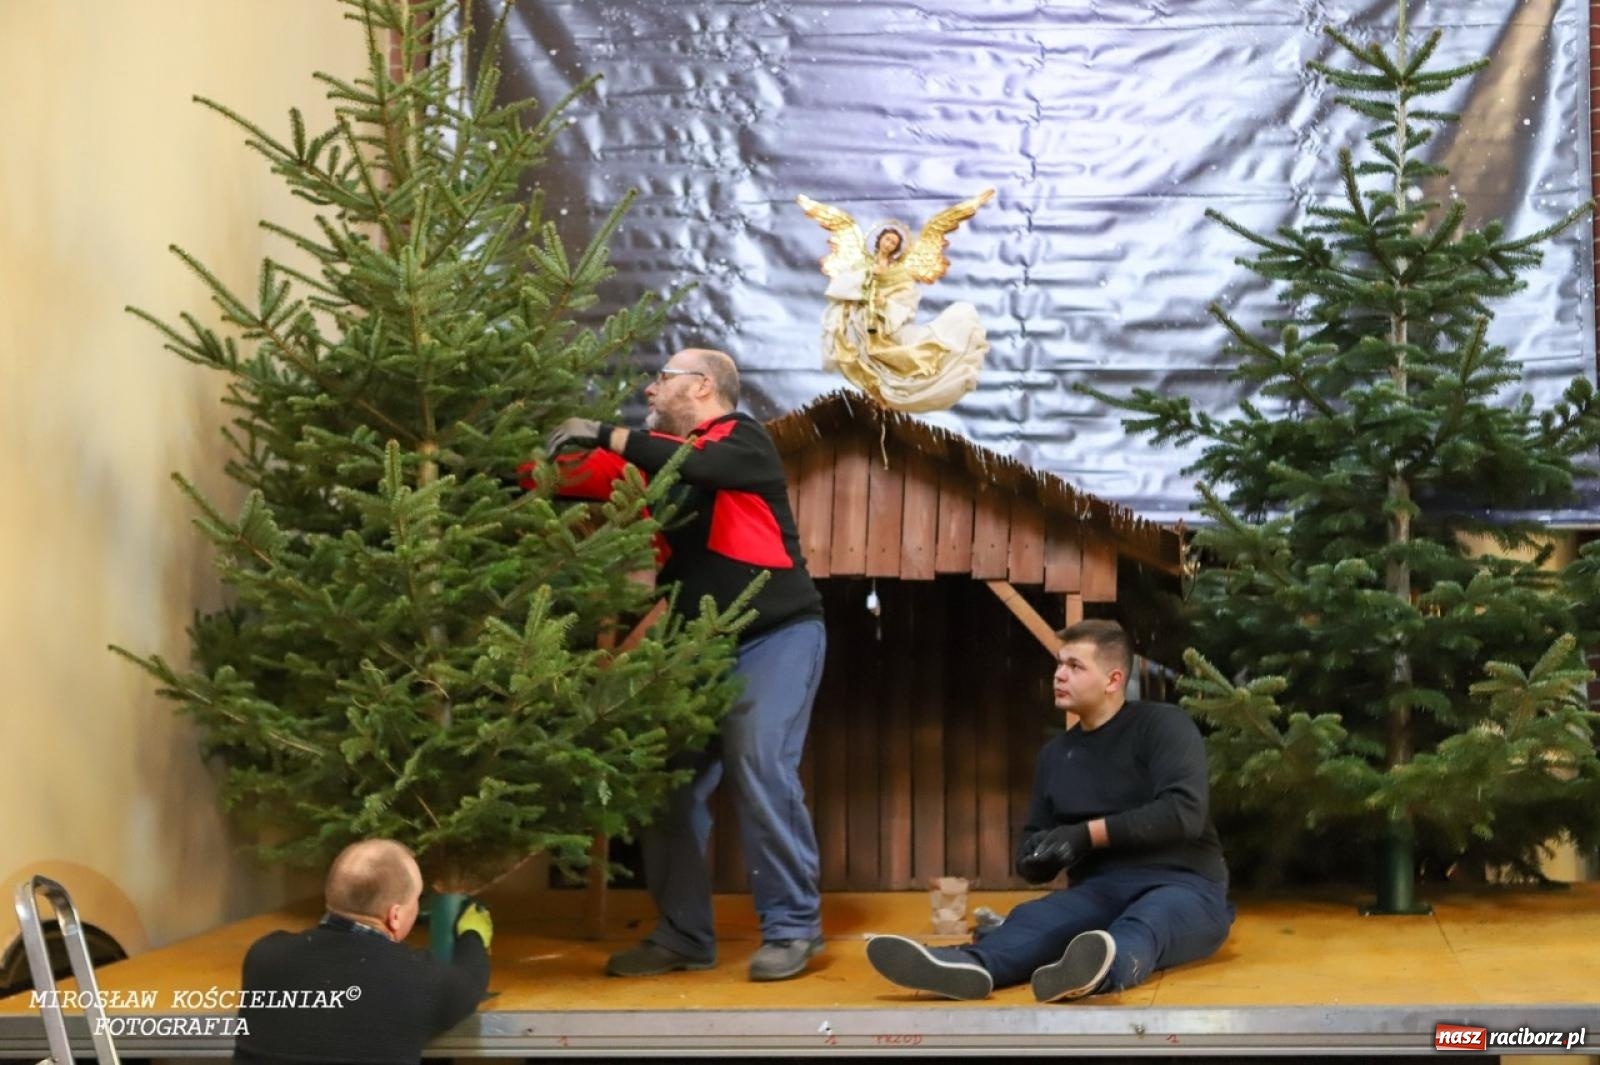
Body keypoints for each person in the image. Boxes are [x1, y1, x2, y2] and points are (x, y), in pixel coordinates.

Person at [546, 347, 828, 982]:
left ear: (702, 387)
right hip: (698, 648)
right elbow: (574, 476)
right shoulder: (664, 468)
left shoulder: (742, 439)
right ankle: (683, 935)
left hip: (776, 636)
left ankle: (793, 928)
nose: (650, 391)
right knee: (663, 785)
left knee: (760, 762)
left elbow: (698, 462)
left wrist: (606, 432)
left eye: (661, 381)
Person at [865, 620, 1233, 1002]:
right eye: (1058, 664)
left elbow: (1183, 812)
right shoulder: (1056, 755)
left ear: (1112, 680)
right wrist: (1038, 858)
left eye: (1075, 667)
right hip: (1100, 891)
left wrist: (1085, 835)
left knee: (1146, 923)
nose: (1059, 675)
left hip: (1187, 887)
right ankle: (969, 966)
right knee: (1037, 920)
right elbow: (1033, 839)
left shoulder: (1162, 725)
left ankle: (1098, 972)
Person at [232, 839, 492, 1064]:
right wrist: (473, 934)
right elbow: (470, 979)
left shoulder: (264, 956)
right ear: (395, 916)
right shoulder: (418, 979)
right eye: (416, 900)